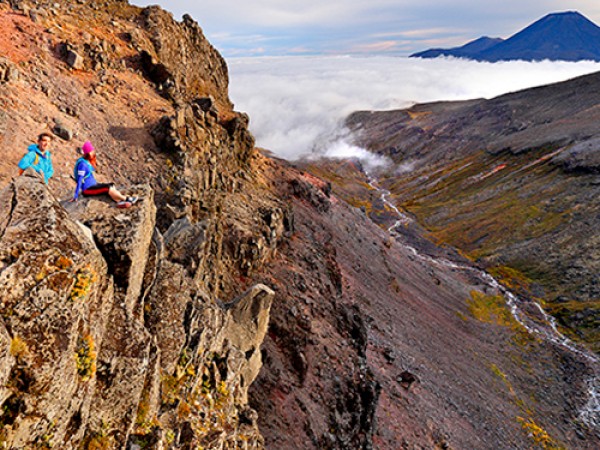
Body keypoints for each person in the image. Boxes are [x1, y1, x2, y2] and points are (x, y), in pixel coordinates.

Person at [71, 141, 138, 208]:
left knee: (110, 185)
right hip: (87, 190)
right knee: (107, 188)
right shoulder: (82, 164)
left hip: (93, 185)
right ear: (88, 153)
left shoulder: (87, 162)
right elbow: (79, 179)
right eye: (91, 151)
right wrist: (76, 195)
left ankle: (120, 202)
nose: (93, 152)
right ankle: (127, 199)